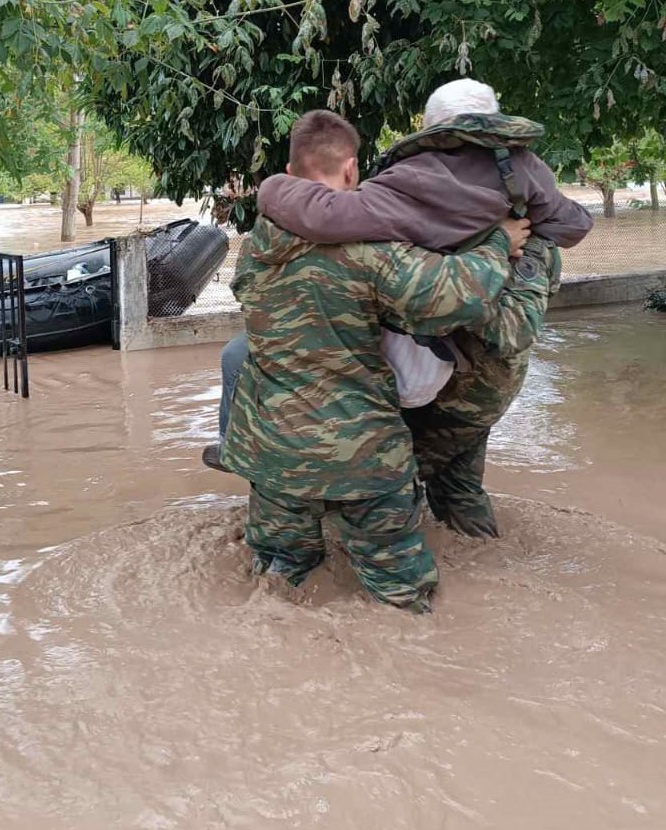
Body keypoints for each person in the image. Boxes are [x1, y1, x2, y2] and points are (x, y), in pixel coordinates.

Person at [208, 79, 593, 538]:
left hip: (431, 377)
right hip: (483, 380)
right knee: (456, 489)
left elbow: (337, 226)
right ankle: (470, 551)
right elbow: (569, 234)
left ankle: (306, 509)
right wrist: (503, 240)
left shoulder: (402, 189)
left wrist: (274, 189)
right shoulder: (533, 206)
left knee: (381, 478)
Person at [220, 109, 533, 613]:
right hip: (360, 456)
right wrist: (498, 240)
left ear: (291, 167)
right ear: (350, 171)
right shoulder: (366, 250)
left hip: (271, 451)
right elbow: (460, 296)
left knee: (278, 580)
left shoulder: (256, 247)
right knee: (401, 597)